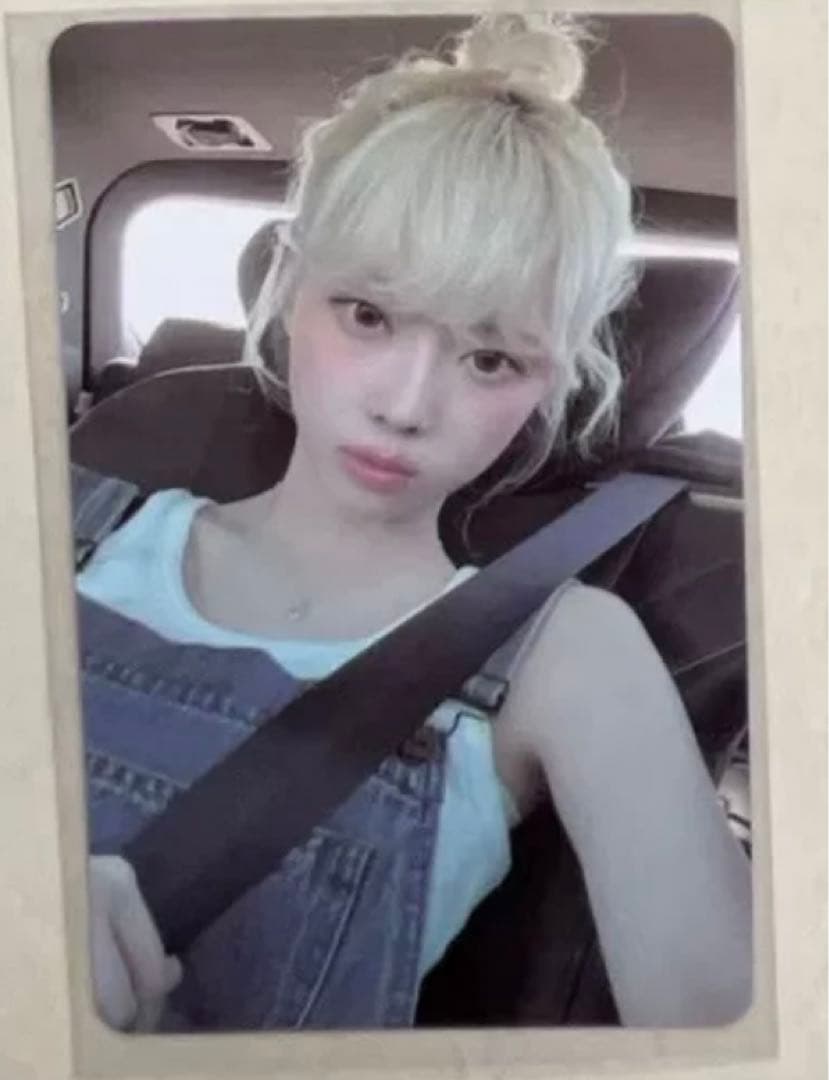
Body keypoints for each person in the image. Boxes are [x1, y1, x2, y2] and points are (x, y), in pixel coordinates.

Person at [76, 13, 752, 1033]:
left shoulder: (567, 657)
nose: (404, 405)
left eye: (490, 358)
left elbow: (737, 1027)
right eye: (367, 314)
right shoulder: (72, 527)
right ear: (288, 288)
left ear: (550, 382)